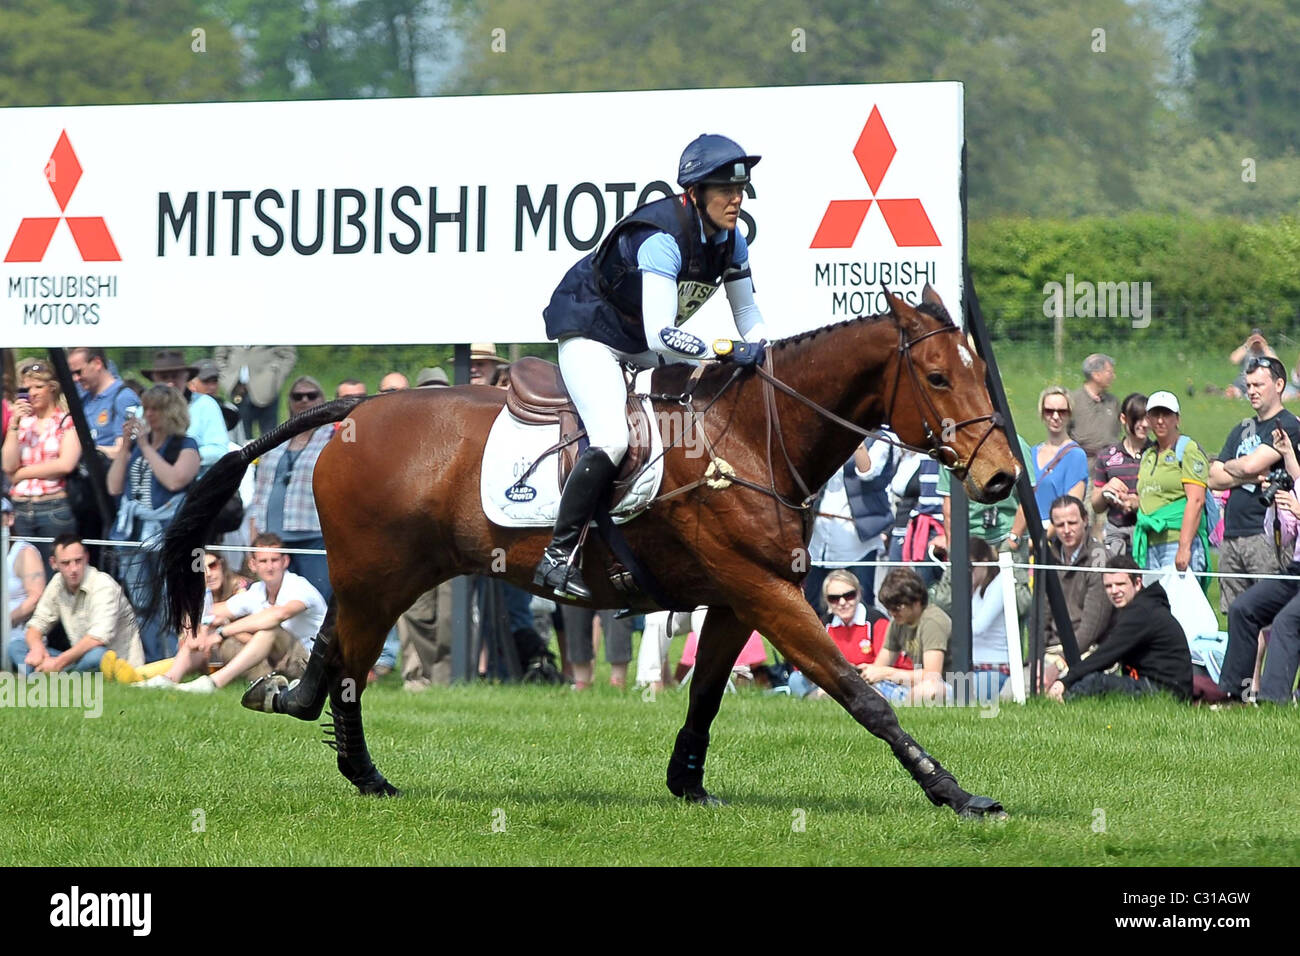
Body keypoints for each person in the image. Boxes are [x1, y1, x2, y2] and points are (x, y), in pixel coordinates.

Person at [534, 133, 769, 599]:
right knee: (613, 437)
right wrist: (725, 351)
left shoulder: (732, 239)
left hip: (639, 343)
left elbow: (747, 316)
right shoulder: (662, 238)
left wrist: (766, 353)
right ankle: (557, 558)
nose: (736, 198)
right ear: (695, 193)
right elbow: (663, 335)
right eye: (724, 189)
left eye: (740, 188)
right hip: (592, 335)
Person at [157, 533, 325, 693]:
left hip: (312, 663)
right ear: (253, 564)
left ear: (285, 561)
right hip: (279, 660)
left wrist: (224, 631)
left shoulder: (299, 587)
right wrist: (196, 629)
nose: (269, 566)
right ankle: (168, 679)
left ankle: (213, 682)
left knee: (269, 629)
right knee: (210, 630)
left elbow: (277, 615)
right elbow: (211, 611)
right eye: (263, 561)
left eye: (274, 560)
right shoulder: (257, 591)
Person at [106, 384, 201, 660]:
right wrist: (126, 448)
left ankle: (171, 659)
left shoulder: (186, 445)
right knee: (141, 602)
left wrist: (146, 447)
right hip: (133, 535)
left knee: (167, 601)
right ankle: (150, 658)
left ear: (170, 411)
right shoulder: (136, 446)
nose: (149, 414)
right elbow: (113, 486)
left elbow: (174, 480)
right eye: (146, 408)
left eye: (155, 409)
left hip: (166, 534)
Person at [1208, 355, 1300, 615]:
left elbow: (1248, 464)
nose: (1251, 391)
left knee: (1271, 618)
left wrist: (1236, 468)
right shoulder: (1242, 428)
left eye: (1258, 385)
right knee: (1238, 617)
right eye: (1248, 386)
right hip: (1232, 533)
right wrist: (1247, 475)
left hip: (1267, 534)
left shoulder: (1287, 425)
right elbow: (1214, 477)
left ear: (1279, 384)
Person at [1217, 425, 1300, 704]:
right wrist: (1278, 509)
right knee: (1243, 608)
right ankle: (1233, 693)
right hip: (1296, 570)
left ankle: (1273, 700)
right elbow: (1285, 537)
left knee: (1287, 621)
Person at [1048, 555, 1192, 702]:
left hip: (1165, 691)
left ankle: (1060, 701)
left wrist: (1064, 681)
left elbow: (1107, 655)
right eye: (1108, 586)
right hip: (1159, 685)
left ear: (1137, 583)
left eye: (1120, 584)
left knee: (1096, 682)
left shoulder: (1142, 612)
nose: (1114, 591)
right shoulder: (1141, 606)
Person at [248, 377, 334, 602]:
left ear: (323, 400)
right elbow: (260, 492)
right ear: (289, 402)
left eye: (311, 395)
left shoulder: (335, 436)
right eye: (298, 396)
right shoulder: (278, 437)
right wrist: (254, 532)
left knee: (316, 601)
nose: (304, 401)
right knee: (275, 605)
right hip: (273, 540)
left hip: (314, 534)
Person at [8, 534, 143, 676]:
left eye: (78, 561)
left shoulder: (104, 585)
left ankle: (48, 676)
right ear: (54, 563)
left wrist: (58, 662)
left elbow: (97, 639)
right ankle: (46, 676)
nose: (73, 569)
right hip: (78, 660)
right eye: (66, 563)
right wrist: (36, 648)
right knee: (16, 646)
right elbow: (37, 624)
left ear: (86, 558)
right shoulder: (57, 582)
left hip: (114, 662)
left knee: (98, 655)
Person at [123, 551, 249, 686]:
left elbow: (252, 635)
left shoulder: (240, 588)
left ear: (222, 565)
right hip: (206, 654)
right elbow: (186, 639)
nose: (209, 574)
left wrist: (221, 627)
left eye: (213, 566)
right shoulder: (195, 596)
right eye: (201, 570)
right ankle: (156, 678)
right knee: (193, 643)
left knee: (206, 635)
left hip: (241, 648)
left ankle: (138, 675)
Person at [804, 434, 899, 614]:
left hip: (856, 540)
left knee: (859, 602)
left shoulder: (881, 439)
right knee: (814, 603)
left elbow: (867, 472)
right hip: (819, 536)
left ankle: (864, 642)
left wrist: (856, 438)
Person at [3, 361, 82, 566]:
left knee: (54, 572)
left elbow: (65, 464)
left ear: (52, 388)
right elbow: (8, 465)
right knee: (22, 574)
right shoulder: (23, 422)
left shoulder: (65, 421)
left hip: (53, 507)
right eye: (27, 388)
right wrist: (13, 426)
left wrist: (21, 474)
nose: (33, 393)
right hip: (20, 508)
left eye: (39, 387)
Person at [789, 569, 899, 699]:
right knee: (795, 680)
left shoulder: (876, 621)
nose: (842, 603)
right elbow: (804, 661)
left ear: (858, 594)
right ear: (827, 601)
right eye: (834, 598)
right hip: (832, 680)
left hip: (870, 680)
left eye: (849, 595)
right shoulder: (824, 624)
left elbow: (882, 666)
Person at [1133, 390, 1210, 577]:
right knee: (1155, 604)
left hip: (1176, 541)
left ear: (1177, 419)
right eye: (1155, 415)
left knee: (1178, 603)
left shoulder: (1187, 450)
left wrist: (1184, 547)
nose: (1160, 421)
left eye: (1166, 415)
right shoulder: (1148, 455)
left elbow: (1196, 501)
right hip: (1151, 542)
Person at [1041, 495, 1114, 666]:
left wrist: (1064, 658)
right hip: (1052, 650)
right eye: (1059, 525)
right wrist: (1036, 658)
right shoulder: (1047, 558)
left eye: (1072, 523)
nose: (1066, 530)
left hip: (1088, 650)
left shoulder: (1099, 558)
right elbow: (1040, 616)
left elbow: (1094, 624)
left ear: (1085, 520)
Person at [863, 568, 952, 704]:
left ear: (916, 602)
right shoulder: (898, 622)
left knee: (929, 690)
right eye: (889, 608)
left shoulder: (933, 621)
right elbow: (880, 665)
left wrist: (885, 673)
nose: (892, 613)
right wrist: (866, 672)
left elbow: (932, 675)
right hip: (911, 686)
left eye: (897, 607)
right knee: (861, 690)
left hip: (952, 684)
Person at [140, 350, 229, 470]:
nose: (170, 383)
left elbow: (219, 449)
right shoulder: (143, 410)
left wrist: (182, 457)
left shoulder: (206, 405)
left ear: (186, 377)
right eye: (164, 377)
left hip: (198, 482)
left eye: (175, 376)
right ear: (154, 379)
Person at [1091, 392, 1148, 556]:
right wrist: (1106, 491)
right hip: (1116, 532)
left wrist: (1138, 502)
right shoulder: (1107, 456)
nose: (1144, 424)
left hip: (1148, 531)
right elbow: (1096, 506)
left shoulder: (1157, 453)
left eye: (1147, 418)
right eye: (1137, 418)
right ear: (1123, 419)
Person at [1031, 386, 1088, 526]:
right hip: (1028, 533)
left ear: (1069, 414)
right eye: (1049, 411)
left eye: (1062, 412)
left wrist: (1042, 539)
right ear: (1042, 414)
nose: (1055, 417)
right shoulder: (1031, 453)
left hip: (1059, 534)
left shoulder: (1076, 456)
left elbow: (1071, 509)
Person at [212, 345, 297, 438]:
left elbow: (288, 354)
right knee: (241, 436)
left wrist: (276, 377)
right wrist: (227, 379)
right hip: (237, 389)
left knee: (270, 437)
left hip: (267, 387)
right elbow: (219, 355)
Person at [67, 347, 135, 457]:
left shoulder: (123, 397)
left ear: (97, 363)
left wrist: (86, 452)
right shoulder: (84, 400)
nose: (75, 378)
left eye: (79, 372)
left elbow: (123, 452)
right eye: (72, 373)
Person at [5, 496, 45, 633]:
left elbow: (35, 598)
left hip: (16, 636)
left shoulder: (24, 553)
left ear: (10, 518)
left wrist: (4, 622)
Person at [1226, 330, 1280, 400]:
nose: (1256, 342)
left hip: (1261, 381)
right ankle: (1239, 395)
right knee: (1231, 391)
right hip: (1243, 381)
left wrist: (1265, 347)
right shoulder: (1245, 350)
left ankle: (1245, 396)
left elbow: (1277, 364)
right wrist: (1247, 345)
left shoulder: (1267, 351)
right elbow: (1233, 360)